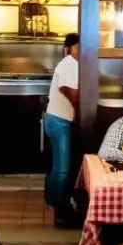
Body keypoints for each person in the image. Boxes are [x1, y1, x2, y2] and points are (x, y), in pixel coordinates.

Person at [43, 32, 79, 225]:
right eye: (77, 48)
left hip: (60, 120)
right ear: (71, 48)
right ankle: (60, 210)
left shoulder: (76, 64)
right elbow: (71, 93)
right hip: (59, 121)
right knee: (62, 169)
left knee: (59, 167)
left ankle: (53, 201)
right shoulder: (68, 64)